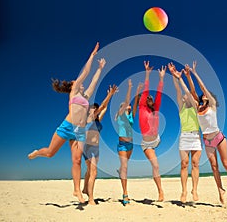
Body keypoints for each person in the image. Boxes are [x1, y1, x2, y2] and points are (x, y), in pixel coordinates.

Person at [28, 42, 105, 203]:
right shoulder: (75, 92)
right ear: (72, 86)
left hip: (79, 131)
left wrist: (100, 69)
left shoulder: (86, 96)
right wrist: (92, 56)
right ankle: (37, 152)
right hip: (66, 127)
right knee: (50, 153)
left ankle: (77, 190)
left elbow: (94, 82)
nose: (81, 83)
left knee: (77, 160)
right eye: (76, 82)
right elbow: (85, 73)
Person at [186, 61, 227, 204]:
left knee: (225, 163)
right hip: (208, 141)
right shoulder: (197, 107)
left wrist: (194, 72)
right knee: (214, 166)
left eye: (206, 94)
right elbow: (192, 91)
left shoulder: (212, 105)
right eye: (203, 95)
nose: (204, 94)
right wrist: (187, 76)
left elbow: (202, 87)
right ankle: (220, 190)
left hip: (218, 137)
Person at [168, 62, 202, 203]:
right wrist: (174, 76)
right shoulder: (182, 107)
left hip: (195, 136)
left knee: (195, 163)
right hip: (185, 137)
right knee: (184, 164)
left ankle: (194, 189)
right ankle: (184, 191)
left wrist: (183, 78)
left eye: (185, 96)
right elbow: (178, 91)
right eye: (183, 97)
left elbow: (189, 92)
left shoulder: (195, 106)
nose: (184, 97)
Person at [82, 84, 118, 205]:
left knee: (90, 170)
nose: (95, 109)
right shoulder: (89, 119)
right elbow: (102, 106)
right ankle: (91, 198)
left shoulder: (97, 121)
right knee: (94, 172)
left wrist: (110, 97)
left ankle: (85, 188)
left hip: (96, 149)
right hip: (87, 148)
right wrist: (110, 94)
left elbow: (104, 108)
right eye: (93, 108)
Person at [138, 61, 166, 202]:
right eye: (147, 98)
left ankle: (160, 191)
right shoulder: (142, 108)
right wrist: (147, 73)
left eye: (151, 98)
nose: (149, 98)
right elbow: (146, 90)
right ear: (144, 101)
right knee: (156, 165)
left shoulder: (156, 109)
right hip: (147, 144)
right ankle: (160, 192)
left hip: (156, 139)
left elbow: (159, 94)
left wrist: (161, 78)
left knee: (156, 164)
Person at [115, 79, 143, 206]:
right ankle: (125, 194)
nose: (129, 105)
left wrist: (137, 93)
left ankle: (120, 170)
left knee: (124, 167)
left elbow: (135, 104)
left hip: (130, 145)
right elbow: (127, 101)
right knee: (125, 168)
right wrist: (130, 88)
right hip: (121, 145)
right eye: (126, 105)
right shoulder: (121, 115)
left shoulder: (131, 116)